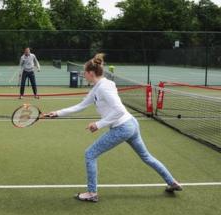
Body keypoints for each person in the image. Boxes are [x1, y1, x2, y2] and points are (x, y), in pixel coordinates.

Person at [46, 53, 182, 203]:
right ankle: (172, 182)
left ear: (91, 73)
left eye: (84, 73)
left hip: (123, 127)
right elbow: (80, 106)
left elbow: (119, 110)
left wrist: (98, 124)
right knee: (146, 157)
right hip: (131, 124)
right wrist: (57, 113)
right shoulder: (98, 88)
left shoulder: (104, 87)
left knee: (90, 154)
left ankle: (92, 193)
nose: (83, 76)